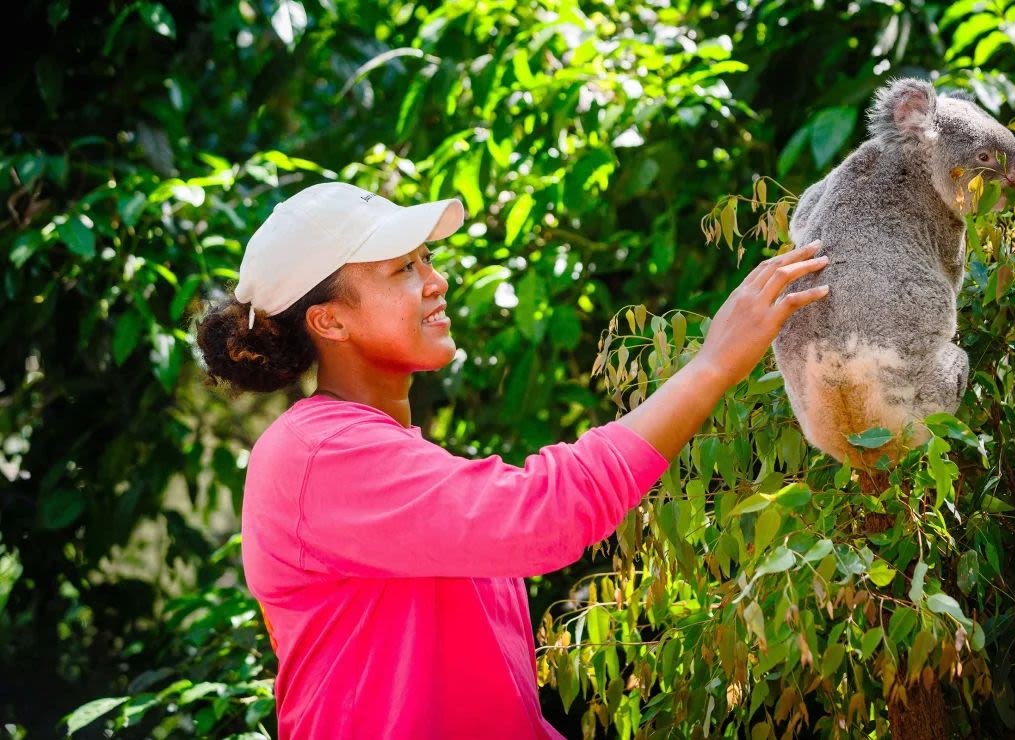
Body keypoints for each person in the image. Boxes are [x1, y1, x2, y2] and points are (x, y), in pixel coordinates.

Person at [196, 181, 829, 739]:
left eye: (427, 259)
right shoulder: (317, 454)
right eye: (401, 270)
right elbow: (544, 514)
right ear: (329, 321)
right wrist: (713, 364)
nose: (436, 280)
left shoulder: (390, 455)